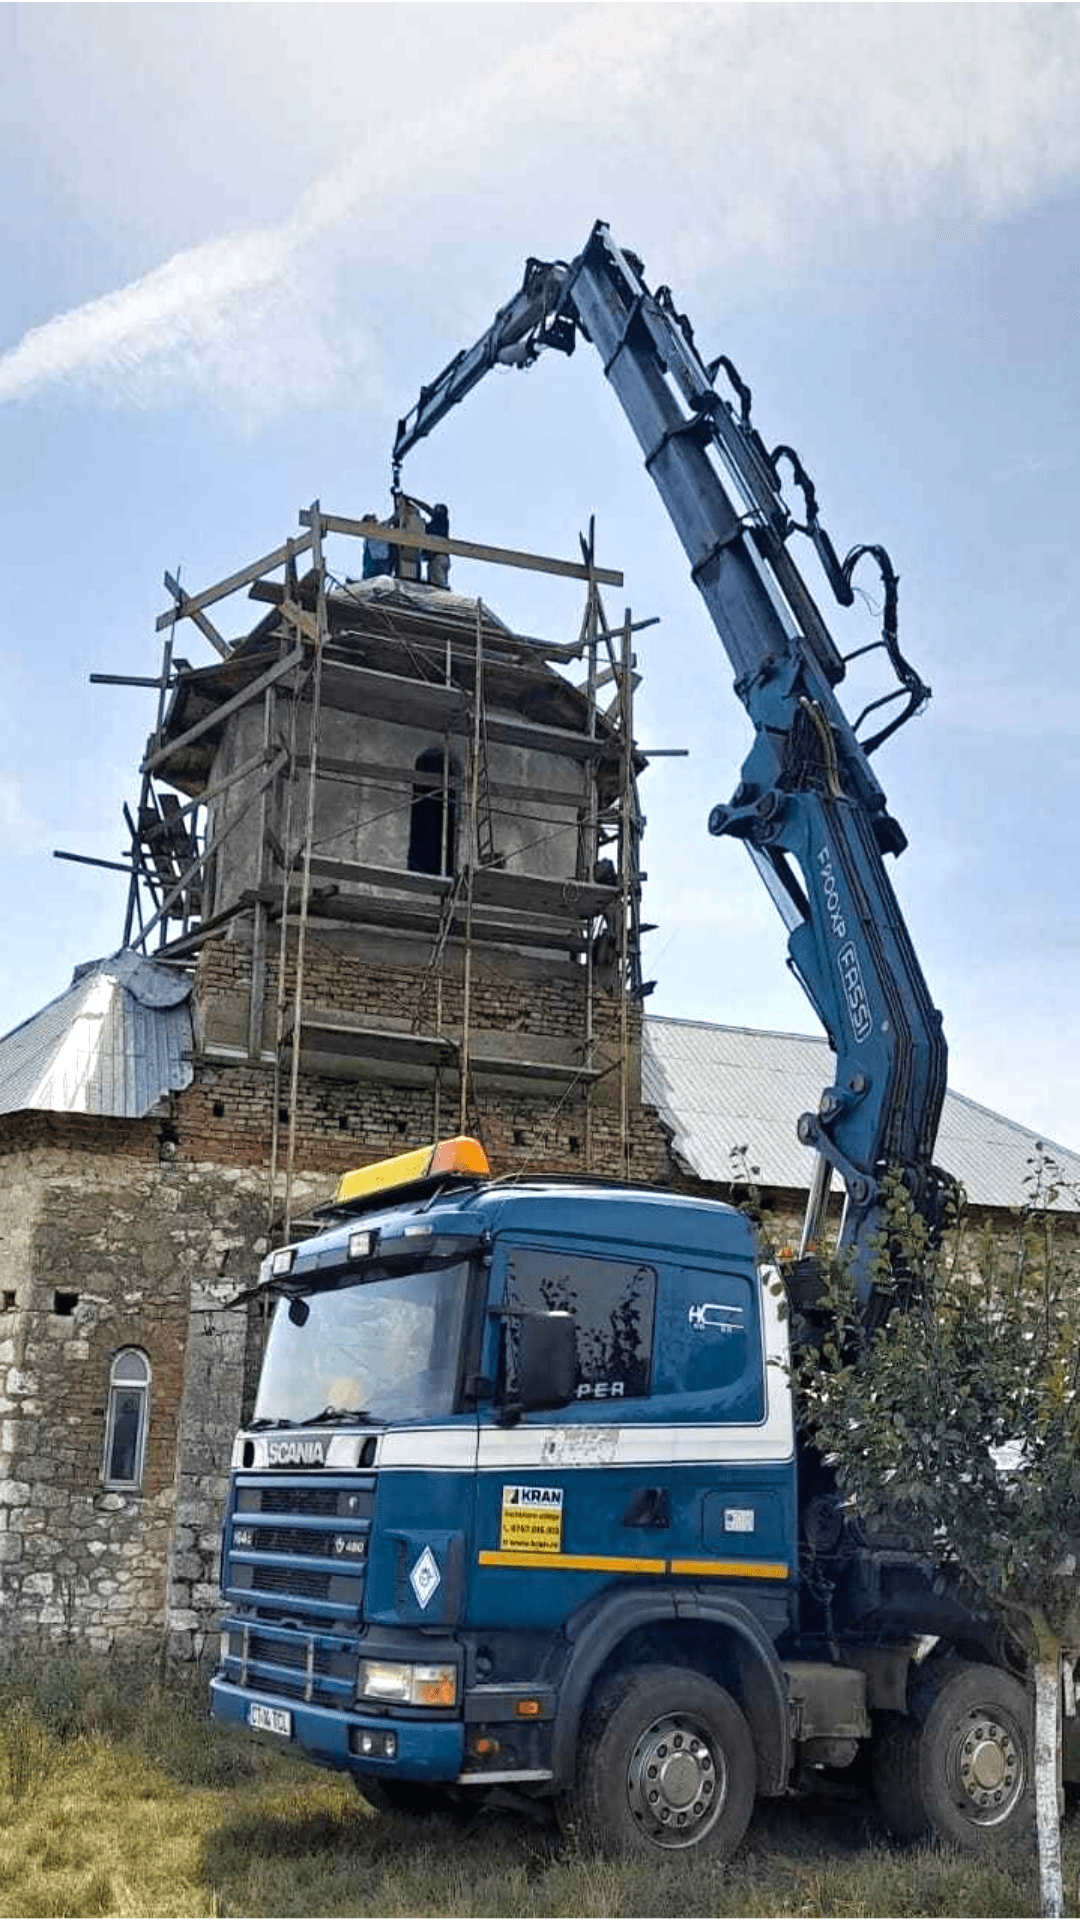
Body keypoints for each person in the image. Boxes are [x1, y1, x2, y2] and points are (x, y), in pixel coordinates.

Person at [426, 503, 451, 589]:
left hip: (438, 557)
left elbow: (431, 529)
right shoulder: (444, 521)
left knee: (439, 586)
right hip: (443, 557)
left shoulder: (439, 521)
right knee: (438, 585)